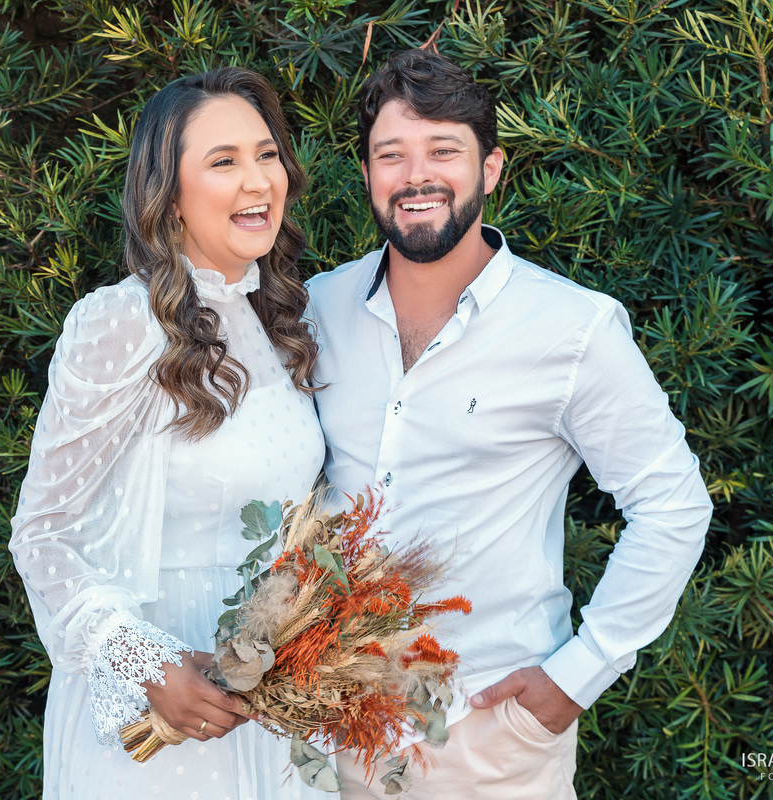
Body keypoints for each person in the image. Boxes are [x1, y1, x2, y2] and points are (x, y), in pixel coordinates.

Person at [304, 49, 714, 798]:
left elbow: (673, 505)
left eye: (443, 151)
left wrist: (579, 676)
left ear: (490, 168)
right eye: (391, 154)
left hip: (486, 734)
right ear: (366, 173)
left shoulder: (573, 329)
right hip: (331, 730)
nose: (416, 175)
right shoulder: (317, 309)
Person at [8, 67, 327, 800]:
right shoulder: (120, 323)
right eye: (224, 161)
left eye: (267, 154)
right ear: (169, 194)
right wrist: (146, 666)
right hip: (164, 714)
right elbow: (41, 533)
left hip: (272, 700)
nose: (258, 181)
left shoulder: (279, 319)